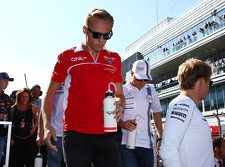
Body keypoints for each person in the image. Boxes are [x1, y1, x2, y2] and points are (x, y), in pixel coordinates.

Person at [42, 8, 125, 167]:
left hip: (108, 134)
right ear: (85, 30)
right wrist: (46, 126)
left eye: (107, 35)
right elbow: (49, 95)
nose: (102, 40)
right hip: (76, 136)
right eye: (96, 35)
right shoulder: (67, 57)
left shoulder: (114, 58)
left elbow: (120, 94)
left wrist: (121, 105)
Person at [160, 58, 214, 167]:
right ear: (201, 81)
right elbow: (168, 148)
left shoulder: (188, 105)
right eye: (210, 82)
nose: (209, 86)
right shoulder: (183, 103)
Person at [118, 60, 163, 167]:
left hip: (147, 144)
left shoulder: (151, 90)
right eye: (139, 78)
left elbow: (156, 113)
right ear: (132, 73)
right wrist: (123, 124)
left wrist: (161, 137)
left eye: (145, 79)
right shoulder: (122, 90)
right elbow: (114, 116)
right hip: (126, 144)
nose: (142, 82)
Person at [38, 84, 65, 167]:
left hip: (74, 133)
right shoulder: (53, 83)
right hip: (55, 133)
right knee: (53, 162)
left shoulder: (77, 82)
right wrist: (40, 133)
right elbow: (44, 110)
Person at [10, 88, 38, 167]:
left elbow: (36, 121)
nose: (25, 98)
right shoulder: (12, 108)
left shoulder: (32, 107)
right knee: (16, 160)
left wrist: (33, 128)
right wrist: (10, 138)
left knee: (29, 160)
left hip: (29, 137)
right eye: (23, 96)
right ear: (19, 97)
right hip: (16, 137)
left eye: (26, 97)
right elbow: (10, 124)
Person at [0, 72, 14, 163]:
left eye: (8, 81)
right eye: (5, 80)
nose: (7, 83)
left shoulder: (6, 97)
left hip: (2, 134)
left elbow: (10, 117)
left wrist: (10, 136)